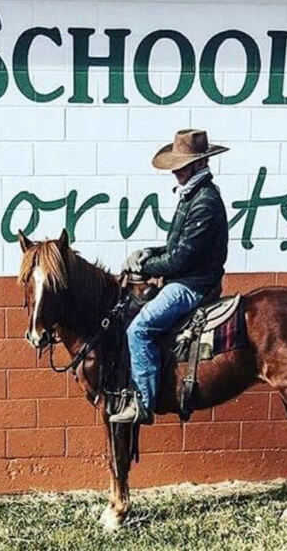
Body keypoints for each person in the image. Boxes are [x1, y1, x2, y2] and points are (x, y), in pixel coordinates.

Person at [110, 129, 230, 425]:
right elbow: (176, 246)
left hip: (194, 286)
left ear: (200, 164)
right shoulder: (192, 196)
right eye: (175, 167)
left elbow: (180, 259)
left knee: (137, 330)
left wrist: (144, 267)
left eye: (181, 166)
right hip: (187, 278)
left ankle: (144, 403)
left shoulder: (205, 202)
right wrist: (148, 252)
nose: (176, 173)